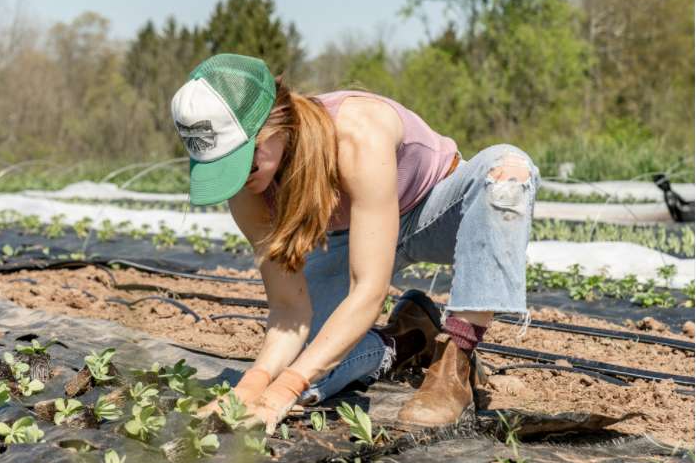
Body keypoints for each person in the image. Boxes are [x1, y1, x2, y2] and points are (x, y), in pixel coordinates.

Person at [172, 53, 540, 433]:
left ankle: (456, 361)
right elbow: (288, 310)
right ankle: (405, 339)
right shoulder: (249, 191)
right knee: (309, 368)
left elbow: (368, 290)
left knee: (507, 171)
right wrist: (254, 386)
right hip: (353, 236)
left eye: (244, 162)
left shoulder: (355, 133)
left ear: (276, 124)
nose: (240, 179)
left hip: (435, 212)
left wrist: (285, 388)